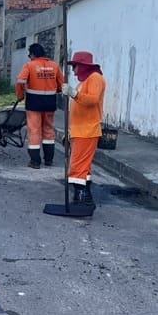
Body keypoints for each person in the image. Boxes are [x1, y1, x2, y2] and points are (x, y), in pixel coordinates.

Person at [62, 51, 106, 206]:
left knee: (77, 167)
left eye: (74, 66)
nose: (73, 71)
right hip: (80, 130)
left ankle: (81, 198)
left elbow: (92, 100)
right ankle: (84, 197)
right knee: (83, 168)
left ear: (82, 66)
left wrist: (73, 94)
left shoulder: (95, 78)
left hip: (86, 131)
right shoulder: (85, 81)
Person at [15, 43, 64, 169]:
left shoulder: (29, 65)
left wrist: (20, 96)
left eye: (29, 54)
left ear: (32, 54)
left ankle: (35, 161)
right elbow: (61, 84)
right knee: (48, 130)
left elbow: (20, 81)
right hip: (50, 103)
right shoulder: (54, 66)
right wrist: (55, 90)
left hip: (34, 103)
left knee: (34, 130)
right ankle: (48, 160)